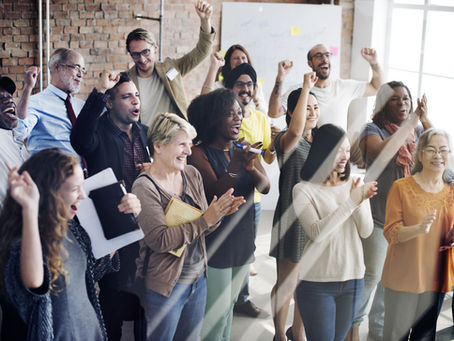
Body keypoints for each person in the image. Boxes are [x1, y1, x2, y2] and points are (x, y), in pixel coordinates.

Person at [0, 148, 140, 340]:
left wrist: (124, 219)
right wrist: (30, 208)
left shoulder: (70, 228)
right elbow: (33, 284)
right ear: (50, 191)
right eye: (75, 189)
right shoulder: (22, 239)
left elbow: (91, 272)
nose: (82, 195)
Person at [131, 112, 244, 340]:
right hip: (166, 287)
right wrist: (206, 220)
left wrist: (218, 214)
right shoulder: (145, 187)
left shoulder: (191, 174)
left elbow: (205, 229)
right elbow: (159, 240)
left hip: (198, 280)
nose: (189, 151)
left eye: (190, 144)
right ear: (159, 146)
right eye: (182, 144)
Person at [71, 71, 151, 340]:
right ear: (109, 102)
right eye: (126, 96)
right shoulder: (97, 133)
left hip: (146, 228)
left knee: (143, 305)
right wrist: (98, 91)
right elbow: (79, 139)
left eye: (136, 95)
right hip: (112, 232)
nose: (134, 101)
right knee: (114, 303)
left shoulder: (145, 133)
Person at [187, 88, 270, 341]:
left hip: (242, 241)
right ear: (214, 119)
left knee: (227, 315)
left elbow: (265, 187)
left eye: (239, 113)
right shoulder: (198, 153)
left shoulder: (243, 149)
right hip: (216, 246)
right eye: (230, 114)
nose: (238, 119)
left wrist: (250, 166)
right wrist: (236, 163)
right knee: (214, 318)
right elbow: (217, 195)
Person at [352, 81, 432, 341]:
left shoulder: (416, 131)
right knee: (372, 277)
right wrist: (411, 123)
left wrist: (424, 118)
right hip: (378, 218)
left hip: (406, 222)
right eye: (395, 99)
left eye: (406, 99)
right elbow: (382, 153)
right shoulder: (371, 130)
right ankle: (351, 328)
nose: (402, 104)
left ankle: (377, 330)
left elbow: (438, 147)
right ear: (383, 104)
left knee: (390, 281)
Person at [293, 124, 376, 341]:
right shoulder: (303, 190)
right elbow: (317, 234)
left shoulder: (355, 182)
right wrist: (352, 202)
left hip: (353, 279)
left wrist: (359, 202)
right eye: (338, 150)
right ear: (322, 151)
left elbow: (366, 231)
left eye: (347, 150)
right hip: (316, 283)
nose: (344, 156)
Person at [381, 129, 454, 340]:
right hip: (404, 278)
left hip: (437, 279)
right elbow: (391, 232)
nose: (437, 156)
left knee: (425, 336)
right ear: (420, 154)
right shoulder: (402, 187)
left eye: (443, 150)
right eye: (431, 150)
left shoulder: (452, 191)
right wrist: (419, 229)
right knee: (396, 335)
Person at [221, 62, 275, 317]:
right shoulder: (222, 118)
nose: (245, 89)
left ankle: (241, 299)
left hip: (252, 198)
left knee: (246, 254)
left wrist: (275, 144)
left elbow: (268, 157)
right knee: (224, 253)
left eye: (249, 84)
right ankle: (222, 301)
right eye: (240, 84)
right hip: (227, 195)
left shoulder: (261, 119)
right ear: (231, 87)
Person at [269, 70, 319, 341]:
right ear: (290, 113)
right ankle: (279, 334)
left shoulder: (322, 140)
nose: (312, 112)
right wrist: (305, 86)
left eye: (315, 107)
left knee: (307, 284)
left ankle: (298, 334)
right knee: (287, 281)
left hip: (316, 218)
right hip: (291, 216)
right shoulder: (285, 140)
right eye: (306, 107)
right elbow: (297, 129)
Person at [125, 0, 215, 125]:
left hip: (176, 135)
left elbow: (202, 51)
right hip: (144, 138)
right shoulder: (126, 80)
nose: (142, 59)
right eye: (135, 54)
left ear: (155, 48)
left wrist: (205, 21)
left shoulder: (171, 68)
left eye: (146, 52)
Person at [17, 48, 86, 156]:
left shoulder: (81, 105)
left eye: (82, 70)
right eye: (76, 68)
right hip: (52, 172)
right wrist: (27, 88)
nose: (80, 75)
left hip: (86, 172)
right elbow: (19, 132)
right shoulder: (35, 102)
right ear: (57, 67)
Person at [0, 68, 38, 207]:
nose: (10, 101)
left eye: (10, 97)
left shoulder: (12, 136)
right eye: (1, 99)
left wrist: (28, 87)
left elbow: (20, 122)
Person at [201, 44, 267, 113]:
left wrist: (256, 101)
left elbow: (265, 118)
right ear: (228, 63)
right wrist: (214, 66)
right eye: (236, 58)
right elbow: (203, 104)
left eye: (243, 58)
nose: (241, 62)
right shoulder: (219, 86)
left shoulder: (256, 86)